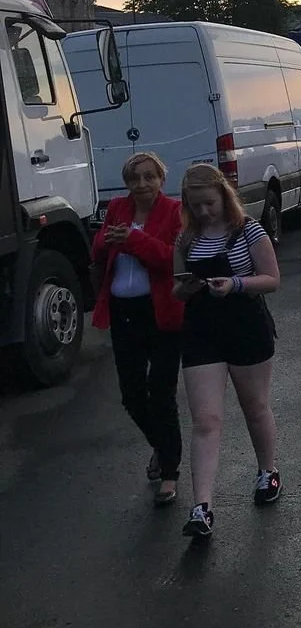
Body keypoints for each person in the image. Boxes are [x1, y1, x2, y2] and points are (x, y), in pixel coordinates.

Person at [173, 164, 282, 540]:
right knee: (206, 420)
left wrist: (235, 283)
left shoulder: (248, 230)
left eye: (209, 203)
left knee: (255, 407)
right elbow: (176, 286)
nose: (203, 212)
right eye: (195, 205)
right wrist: (186, 289)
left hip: (245, 323)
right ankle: (201, 507)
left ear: (224, 196)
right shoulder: (186, 238)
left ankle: (268, 470)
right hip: (202, 329)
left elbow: (272, 279)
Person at [90, 152, 184, 507]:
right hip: (123, 310)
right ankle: (162, 446)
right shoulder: (117, 206)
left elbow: (171, 259)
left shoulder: (173, 211)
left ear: (161, 179)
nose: (141, 185)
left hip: (160, 312)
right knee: (131, 395)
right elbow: (98, 249)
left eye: (149, 177)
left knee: (161, 393)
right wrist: (109, 239)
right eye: (134, 178)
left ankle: (171, 471)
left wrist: (133, 240)